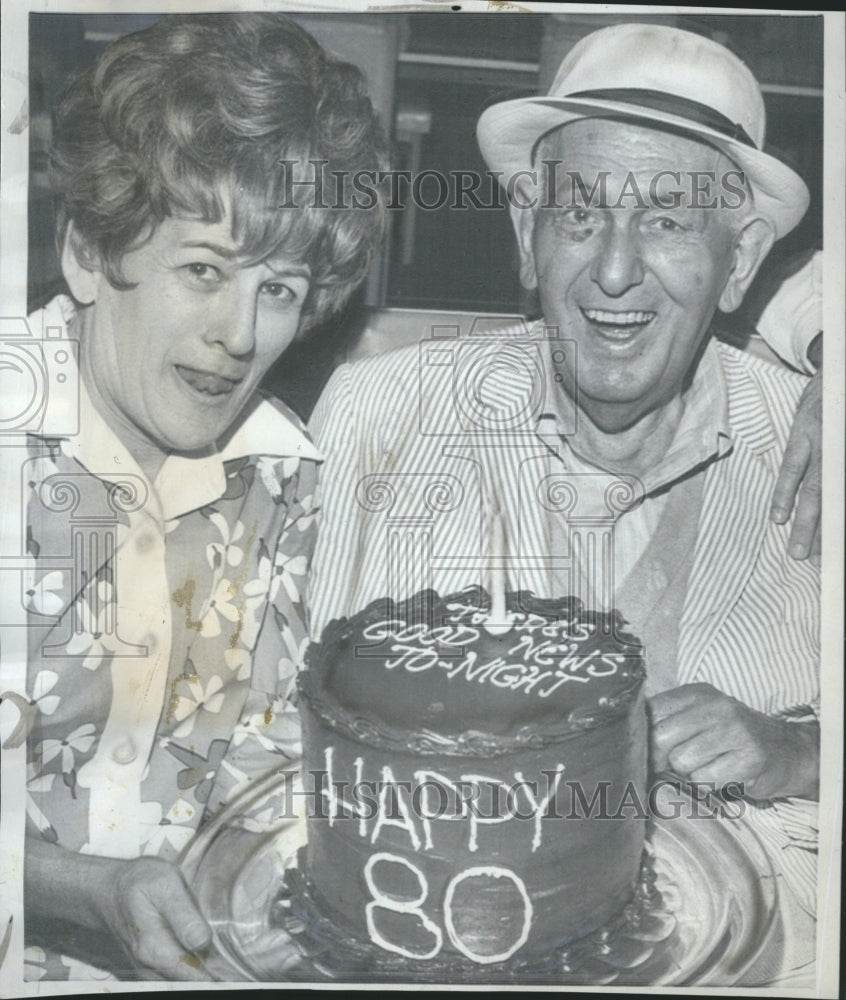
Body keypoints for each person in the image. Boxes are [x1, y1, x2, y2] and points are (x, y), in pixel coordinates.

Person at [309, 22, 820, 973]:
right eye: (579, 215)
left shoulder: (815, 446)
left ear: (741, 259)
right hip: (425, 949)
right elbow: (279, 722)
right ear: (525, 235)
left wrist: (800, 752)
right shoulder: (381, 414)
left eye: (667, 220)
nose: (614, 271)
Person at [18, 13, 385, 981]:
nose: (238, 333)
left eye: (280, 289)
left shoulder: (283, 479)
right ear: (90, 255)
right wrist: (79, 885)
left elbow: (260, 770)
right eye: (203, 271)